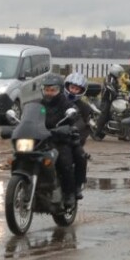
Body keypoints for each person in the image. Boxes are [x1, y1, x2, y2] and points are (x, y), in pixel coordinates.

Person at [40, 74, 86, 207]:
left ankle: (69, 193)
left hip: (60, 139)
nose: (49, 93)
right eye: (46, 90)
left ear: (59, 90)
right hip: (41, 139)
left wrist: (68, 127)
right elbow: (29, 117)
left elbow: (74, 115)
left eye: (52, 90)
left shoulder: (66, 103)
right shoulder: (39, 103)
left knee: (64, 161)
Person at [62, 72, 90, 200]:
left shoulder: (84, 107)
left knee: (80, 156)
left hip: (72, 138)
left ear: (81, 91)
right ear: (67, 87)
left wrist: (76, 132)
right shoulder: (58, 100)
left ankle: (78, 185)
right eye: (72, 87)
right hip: (53, 135)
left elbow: (85, 124)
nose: (73, 91)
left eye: (76, 89)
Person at [93, 64, 125, 139]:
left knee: (120, 113)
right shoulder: (109, 78)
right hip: (107, 100)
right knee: (104, 115)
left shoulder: (115, 79)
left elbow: (118, 87)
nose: (120, 75)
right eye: (119, 73)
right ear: (115, 71)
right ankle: (97, 134)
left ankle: (122, 134)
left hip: (113, 99)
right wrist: (115, 92)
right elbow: (109, 86)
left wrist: (123, 91)